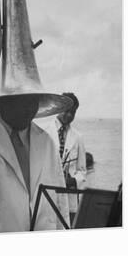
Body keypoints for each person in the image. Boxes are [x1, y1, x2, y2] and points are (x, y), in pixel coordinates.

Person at [0, 93, 71, 234]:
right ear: (3, 102)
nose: (28, 110)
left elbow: (59, 202)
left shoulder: (47, 141)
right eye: (21, 102)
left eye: (33, 101)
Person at [44, 93, 86, 224]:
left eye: (73, 112)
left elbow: (82, 171)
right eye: (66, 111)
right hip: (48, 194)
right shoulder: (44, 131)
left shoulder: (78, 137)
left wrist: (73, 181)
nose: (69, 115)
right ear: (58, 108)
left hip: (70, 199)